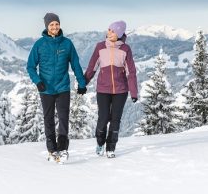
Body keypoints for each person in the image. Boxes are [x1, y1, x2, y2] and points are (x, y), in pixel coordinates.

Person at [27, 12, 87, 162]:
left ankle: (63, 148)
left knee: (63, 118)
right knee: (48, 119)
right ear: (47, 26)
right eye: (51, 24)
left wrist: (82, 83)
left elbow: (75, 64)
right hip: (45, 88)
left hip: (63, 87)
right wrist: (37, 81)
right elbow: (30, 66)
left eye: (56, 24)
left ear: (59, 25)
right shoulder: (39, 44)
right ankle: (52, 149)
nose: (54, 27)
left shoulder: (67, 44)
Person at [84, 20, 138, 158]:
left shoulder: (125, 49)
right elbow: (92, 67)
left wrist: (133, 92)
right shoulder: (100, 47)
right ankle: (100, 142)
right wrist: (83, 83)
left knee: (115, 120)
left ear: (119, 33)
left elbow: (130, 72)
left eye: (112, 31)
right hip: (103, 89)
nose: (109, 32)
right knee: (102, 119)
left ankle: (111, 148)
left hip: (121, 91)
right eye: (109, 29)